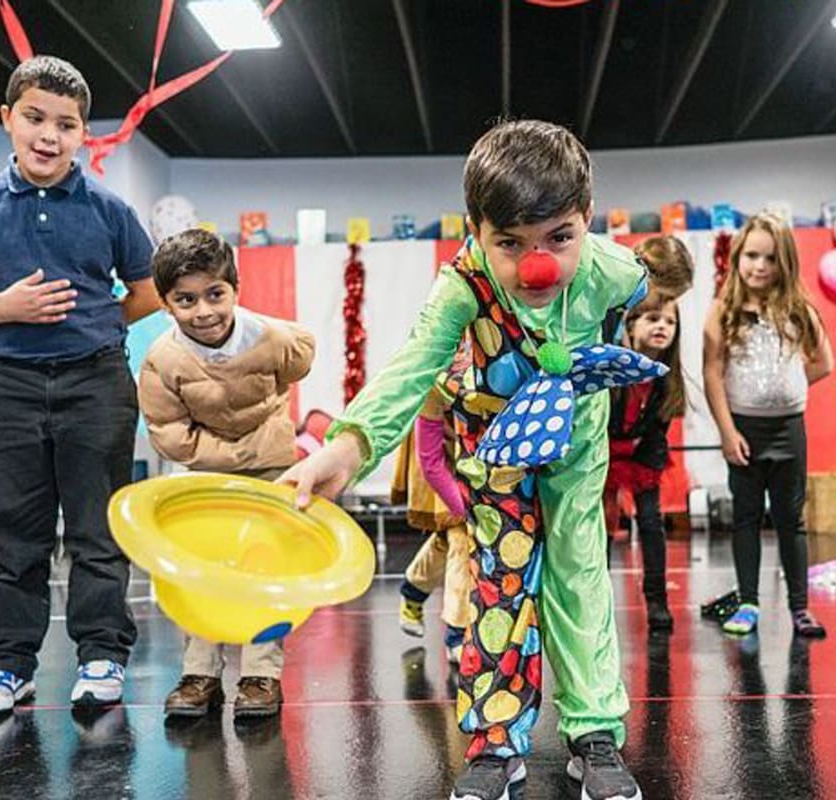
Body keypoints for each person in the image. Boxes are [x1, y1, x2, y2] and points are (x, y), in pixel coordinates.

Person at [279, 120, 648, 800]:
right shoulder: (463, 285)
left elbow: (629, 306)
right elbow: (414, 364)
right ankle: (495, 742)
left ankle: (594, 732)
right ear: (475, 230)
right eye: (510, 243)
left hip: (574, 444)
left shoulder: (615, 272)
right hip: (495, 447)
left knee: (578, 572)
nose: (536, 266)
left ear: (587, 218)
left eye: (558, 238)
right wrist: (349, 446)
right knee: (497, 586)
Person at [0, 55, 160, 715]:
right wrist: (5, 307)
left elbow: (146, 291)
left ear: (83, 135)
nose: (49, 135)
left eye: (66, 125)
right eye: (35, 118)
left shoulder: (110, 208)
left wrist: (96, 323)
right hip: (6, 382)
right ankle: (6, 665)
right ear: (9, 119)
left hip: (96, 383)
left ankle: (102, 655)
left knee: (97, 529)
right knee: (15, 533)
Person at [139, 228, 315, 719]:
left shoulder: (272, 338)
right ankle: (200, 673)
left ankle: (261, 675)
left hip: (273, 470)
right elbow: (170, 433)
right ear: (166, 304)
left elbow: (301, 358)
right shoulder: (162, 361)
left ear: (235, 289)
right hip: (206, 477)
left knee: (268, 564)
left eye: (215, 294)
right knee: (202, 569)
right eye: (186, 300)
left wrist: (266, 444)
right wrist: (234, 454)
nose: (204, 311)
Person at [702, 212, 832, 638]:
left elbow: (824, 362)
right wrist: (727, 431)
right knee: (746, 516)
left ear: (785, 262)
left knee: (791, 518)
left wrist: (788, 386)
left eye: (771, 258)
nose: (759, 266)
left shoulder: (797, 311)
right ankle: (749, 603)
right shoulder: (723, 311)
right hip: (744, 430)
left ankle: (800, 607)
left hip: (788, 429)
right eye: (752, 256)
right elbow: (711, 373)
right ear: (737, 257)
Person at [604, 291, 686, 632]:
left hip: (641, 453)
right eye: (653, 319)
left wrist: (645, 456)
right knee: (603, 525)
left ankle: (656, 598)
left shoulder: (666, 377)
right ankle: (597, 601)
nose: (662, 327)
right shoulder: (615, 368)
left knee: (651, 521)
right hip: (605, 451)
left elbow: (658, 431)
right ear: (631, 326)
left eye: (670, 322)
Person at [395, 350, 474, 664]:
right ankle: (457, 632)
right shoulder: (434, 381)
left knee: (447, 538)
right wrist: (464, 508)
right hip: (442, 465)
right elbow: (431, 462)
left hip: (471, 462)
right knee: (461, 539)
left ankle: (412, 592)